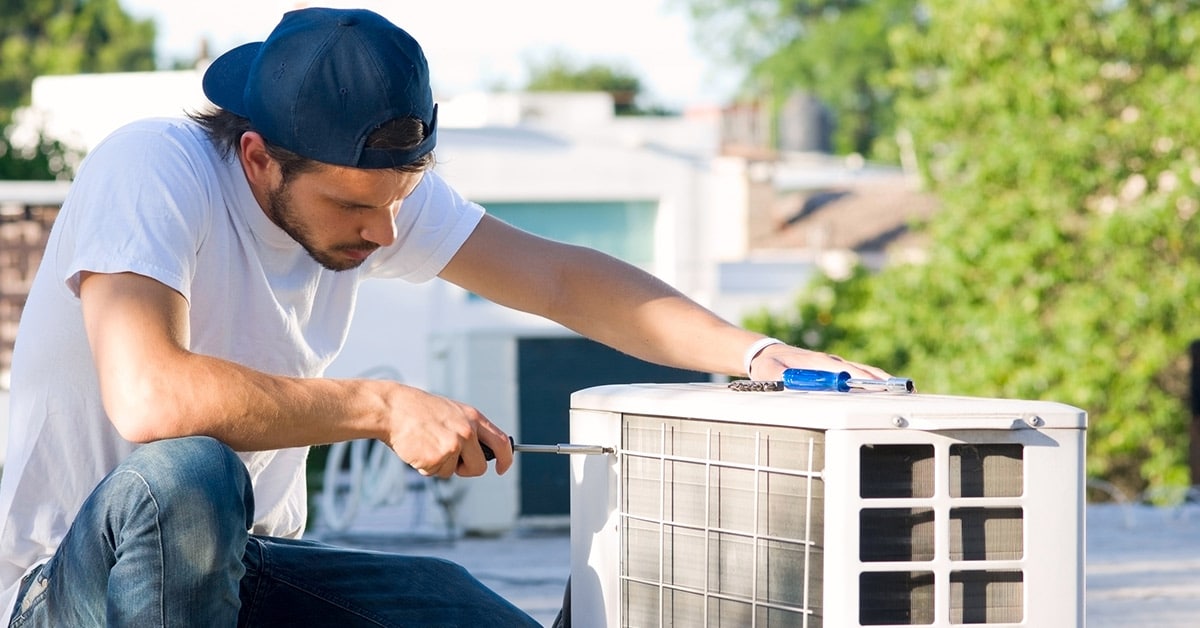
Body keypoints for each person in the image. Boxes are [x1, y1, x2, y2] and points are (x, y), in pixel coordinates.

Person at [0, 7, 889, 627]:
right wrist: (384, 407)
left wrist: (757, 352)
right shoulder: (152, 168)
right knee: (186, 475)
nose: (384, 233)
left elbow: (560, 280)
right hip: (73, 588)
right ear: (260, 158)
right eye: (355, 207)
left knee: (457, 605)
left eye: (399, 202)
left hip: (245, 572)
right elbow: (151, 397)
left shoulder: (371, 192)